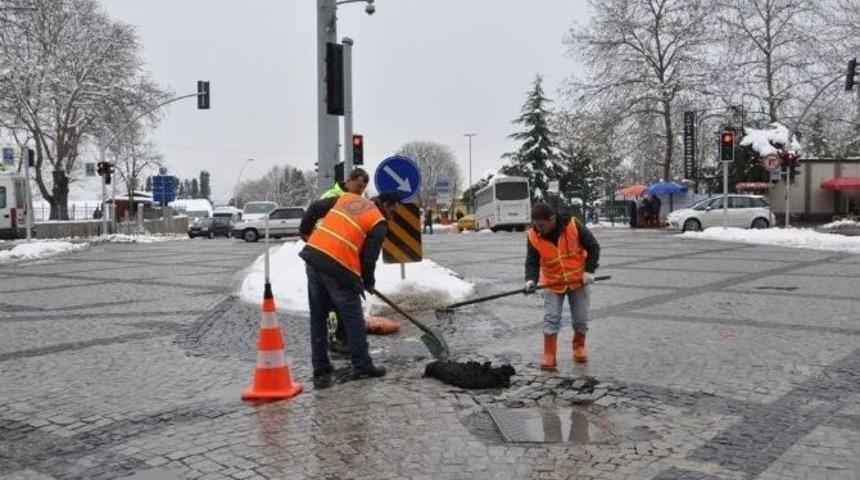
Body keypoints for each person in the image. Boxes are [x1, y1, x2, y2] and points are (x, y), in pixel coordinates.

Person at [299, 191, 399, 380]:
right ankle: (363, 365)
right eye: (392, 212)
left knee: (318, 316)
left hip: (313, 256)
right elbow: (368, 259)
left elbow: (314, 207)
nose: (391, 217)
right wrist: (367, 281)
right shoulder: (378, 222)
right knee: (353, 317)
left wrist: (305, 233)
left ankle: (320, 365)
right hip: (339, 266)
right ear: (385, 204)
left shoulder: (347, 198)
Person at [524, 203, 600, 369]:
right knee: (551, 318)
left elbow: (594, 247)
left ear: (552, 219)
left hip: (578, 280)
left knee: (581, 318)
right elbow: (532, 262)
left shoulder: (573, 225)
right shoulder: (533, 236)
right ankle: (549, 354)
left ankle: (579, 347)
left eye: (542, 225)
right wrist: (531, 280)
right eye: (536, 224)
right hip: (553, 282)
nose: (539, 228)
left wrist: (589, 271)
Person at [313, 168, 370, 355]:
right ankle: (337, 340)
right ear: (349, 180)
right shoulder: (331, 196)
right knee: (333, 305)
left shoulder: (359, 200)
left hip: (345, 256)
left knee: (342, 304)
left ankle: (345, 341)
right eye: (359, 186)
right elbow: (317, 222)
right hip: (328, 256)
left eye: (363, 188)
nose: (360, 191)